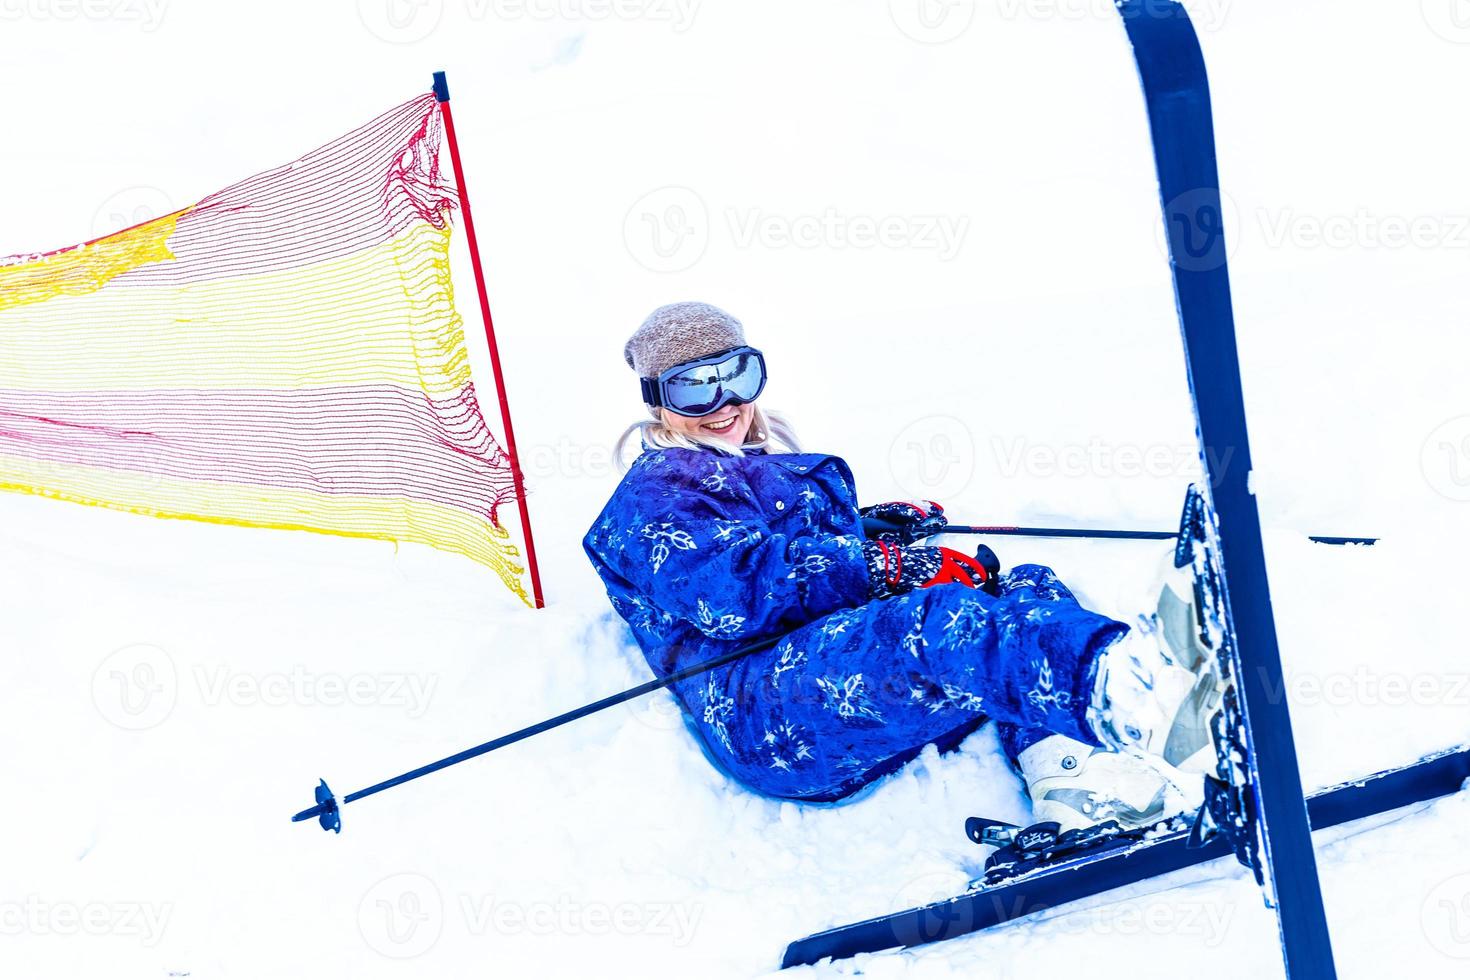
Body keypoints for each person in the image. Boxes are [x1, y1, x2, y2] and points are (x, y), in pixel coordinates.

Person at [583, 301, 1219, 834]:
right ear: (656, 401)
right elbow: (737, 588)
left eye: (737, 377)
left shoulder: (768, 471)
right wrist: (881, 566)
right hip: (764, 711)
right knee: (933, 626)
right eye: (693, 387)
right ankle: (1144, 698)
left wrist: (863, 529)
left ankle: (1082, 786)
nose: (723, 404)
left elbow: (791, 559)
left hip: (827, 680)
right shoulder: (653, 496)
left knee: (1021, 591)